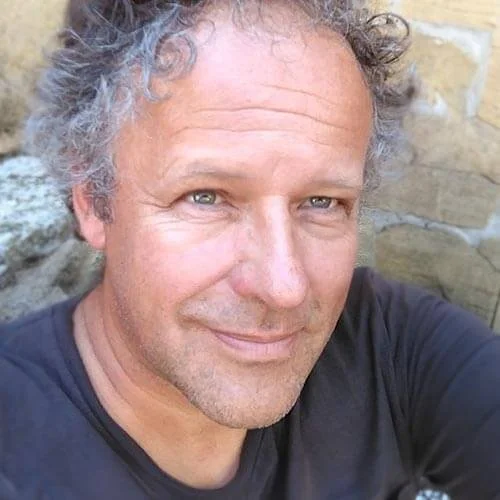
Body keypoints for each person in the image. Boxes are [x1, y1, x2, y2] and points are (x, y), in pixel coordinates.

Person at [1, 1, 499, 499]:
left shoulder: (391, 348)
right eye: (206, 197)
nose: (284, 287)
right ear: (91, 198)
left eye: (322, 202)